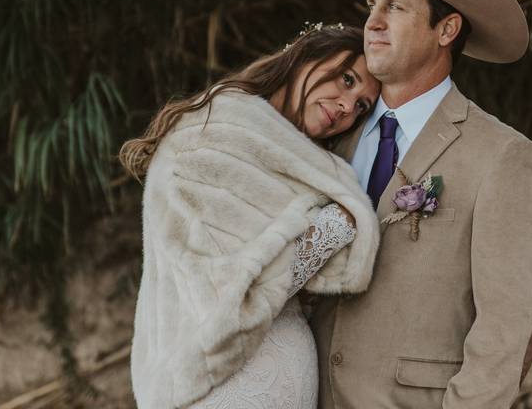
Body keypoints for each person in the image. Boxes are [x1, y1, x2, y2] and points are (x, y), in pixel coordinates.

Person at [309, 0, 532, 408]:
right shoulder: (331, 135)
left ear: (446, 29)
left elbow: (511, 324)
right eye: (371, 6)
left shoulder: (503, 157)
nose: (372, 23)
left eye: (394, 7)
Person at [120, 25, 382, 409]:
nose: (347, 106)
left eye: (361, 105)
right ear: (307, 54)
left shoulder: (301, 159)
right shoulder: (213, 134)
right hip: (222, 389)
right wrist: (334, 226)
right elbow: (224, 291)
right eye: (346, 80)